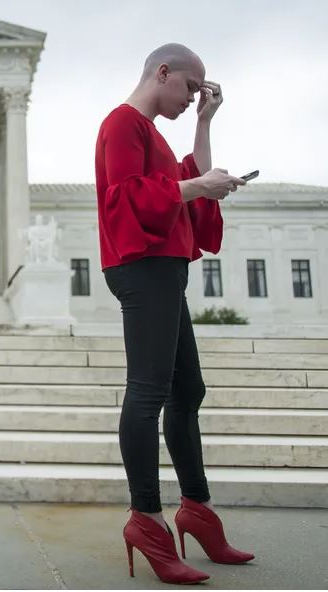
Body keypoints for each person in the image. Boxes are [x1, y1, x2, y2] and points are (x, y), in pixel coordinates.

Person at [95, 43, 252, 584]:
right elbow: (126, 198)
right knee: (148, 393)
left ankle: (196, 510)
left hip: (164, 271)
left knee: (187, 391)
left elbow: (188, 180)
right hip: (142, 269)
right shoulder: (123, 123)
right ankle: (146, 519)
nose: (190, 98)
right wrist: (197, 186)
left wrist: (205, 124)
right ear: (162, 72)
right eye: (188, 88)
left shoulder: (154, 135)